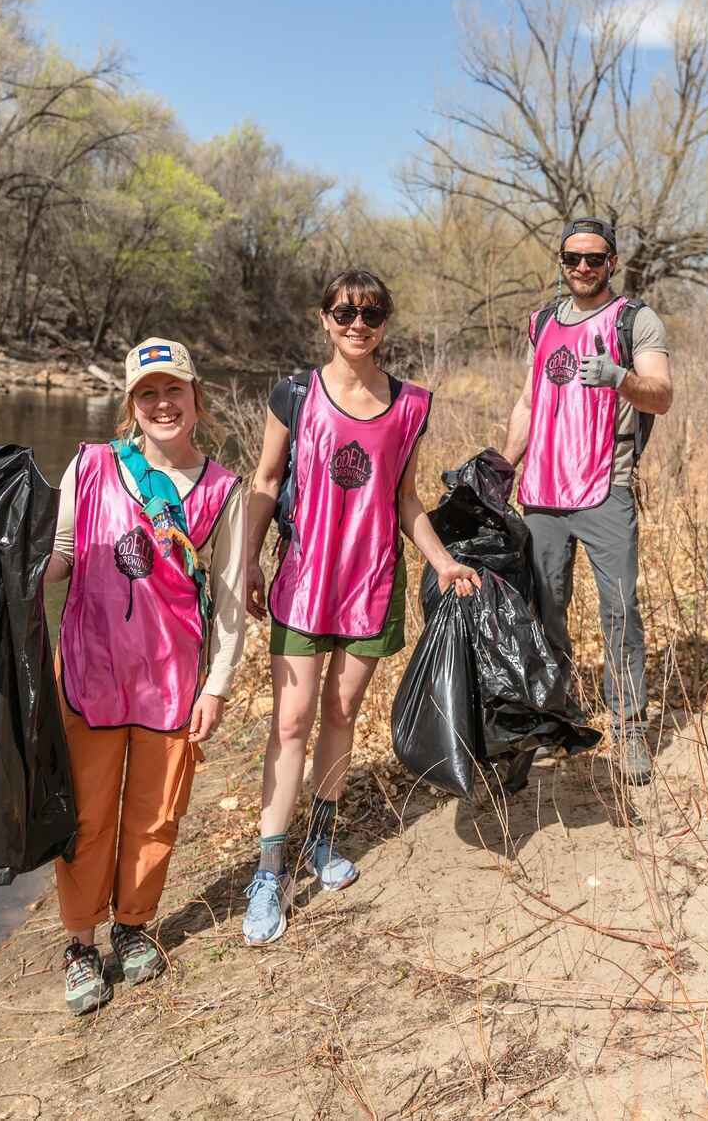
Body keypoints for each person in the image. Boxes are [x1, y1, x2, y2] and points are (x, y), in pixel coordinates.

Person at [240, 269, 479, 946]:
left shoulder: (409, 407)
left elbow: (404, 500)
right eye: (344, 311)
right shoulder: (293, 395)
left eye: (371, 313)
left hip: (369, 583)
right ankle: (269, 870)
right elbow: (262, 482)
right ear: (324, 318)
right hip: (302, 583)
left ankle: (321, 840)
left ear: (384, 323)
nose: (357, 323)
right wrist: (249, 562)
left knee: (341, 714)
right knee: (289, 722)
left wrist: (441, 561)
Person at [45, 337, 248, 1013]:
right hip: (88, 671)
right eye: (147, 393)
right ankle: (80, 943)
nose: (162, 404)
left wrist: (215, 685)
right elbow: (64, 552)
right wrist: (8, 576)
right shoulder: (92, 464)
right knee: (85, 816)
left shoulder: (224, 489)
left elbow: (226, 596)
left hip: (172, 680)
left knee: (156, 816)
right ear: (131, 405)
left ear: (196, 400)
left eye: (173, 391)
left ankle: (132, 928)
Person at [500, 218, 674, 786]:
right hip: (543, 492)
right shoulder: (542, 321)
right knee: (542, 608)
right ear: (561, 261)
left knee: (619, 611)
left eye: (593, 259)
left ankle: (627, 730)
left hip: (606, 485)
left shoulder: (634, 320)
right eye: (572, 258)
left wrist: (620, 377)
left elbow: (662, 394)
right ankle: (553, 718)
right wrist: (505, 465)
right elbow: (529, 400)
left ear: (611, 262)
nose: (582, 268)